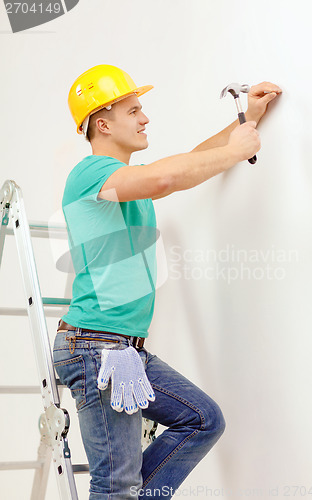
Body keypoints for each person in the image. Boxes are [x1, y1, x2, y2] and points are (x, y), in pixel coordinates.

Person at [53, 64, 282, 500]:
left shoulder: (125, 182)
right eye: (134, 110)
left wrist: (246, 119)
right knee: (115, 484)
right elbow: (164, 179)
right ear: (103, 123)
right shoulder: (89, 173)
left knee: (202, 420)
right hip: (95, 346)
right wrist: (236, 152)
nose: (145, 119)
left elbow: (184, 164)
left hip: (122, 349)